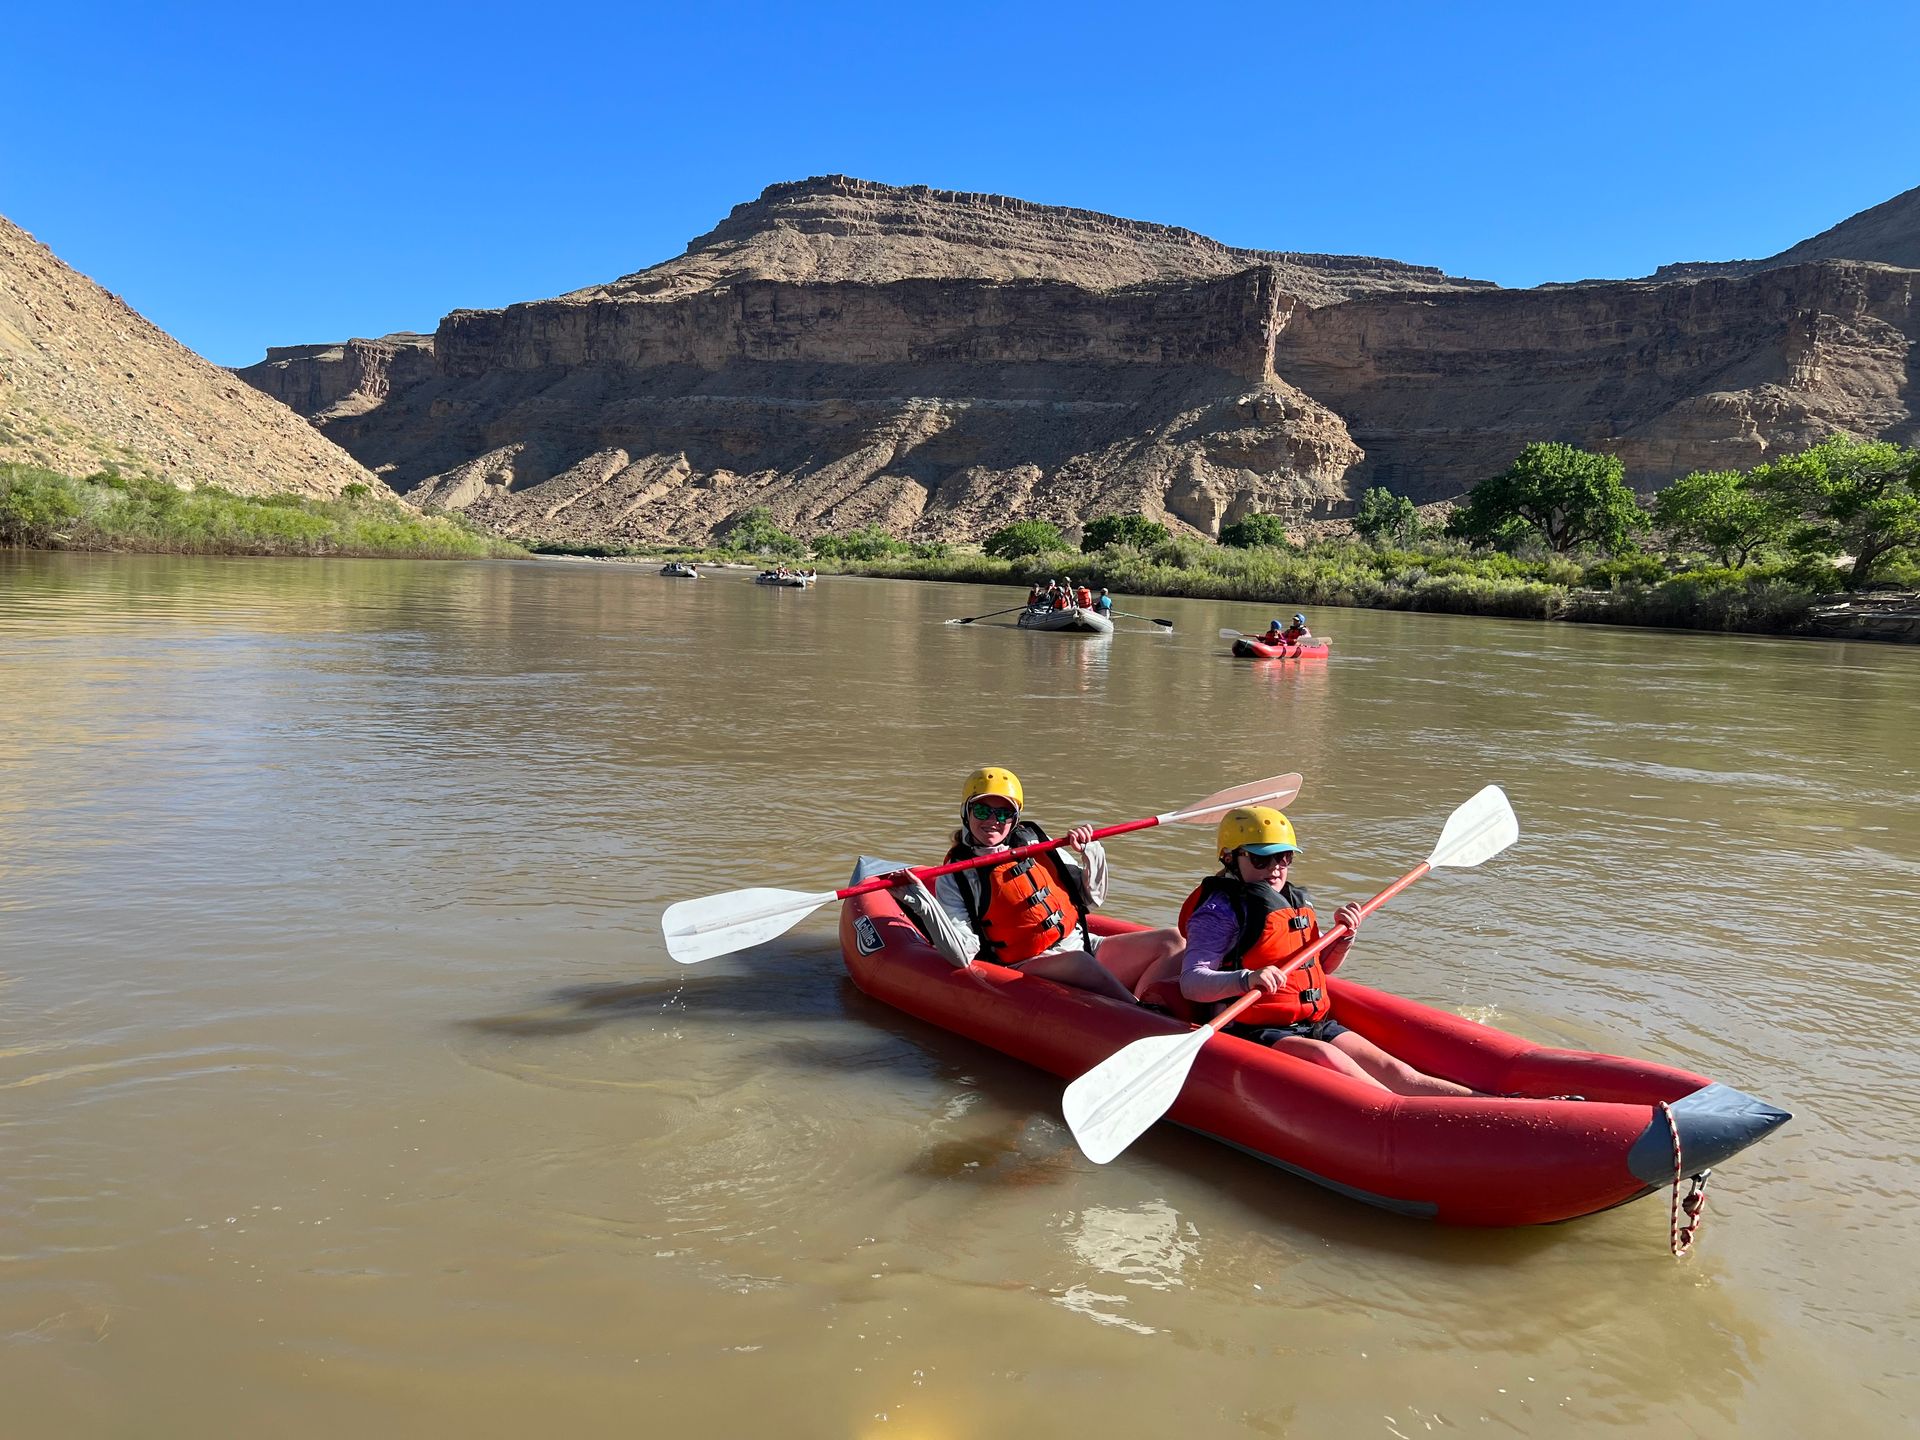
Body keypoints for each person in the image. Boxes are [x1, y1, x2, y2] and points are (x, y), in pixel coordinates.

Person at [1176, 806, 1476, 1095]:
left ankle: (1491, 1104)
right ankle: (1406, 1120)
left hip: (1311, 1023)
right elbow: (1192, 983)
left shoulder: (1294, 901)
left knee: (1398, 1072)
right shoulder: (1219, 912)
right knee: (1326, 1056)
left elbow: (1322, 967)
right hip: (1251, 1030)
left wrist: (1343, 938)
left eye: (1284, 857)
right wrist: (1247, 978)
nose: (1275, 868)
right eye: (1260, 859)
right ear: (1230, 858)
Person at [892, 767, 1185, 1004]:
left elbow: (1090, 900)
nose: (993, 821)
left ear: (1015, 817)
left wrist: (1092, 853)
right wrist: (922, 901)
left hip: (1079, 944)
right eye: (982, 811)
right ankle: (1142, 1016)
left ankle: (1150, 1006)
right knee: (1081, 964)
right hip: (1026, 963)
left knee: (1172, 941)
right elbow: (962, 954)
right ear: (966, 814)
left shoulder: (1034, 843)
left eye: (1003, 813)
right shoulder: (957, 873)